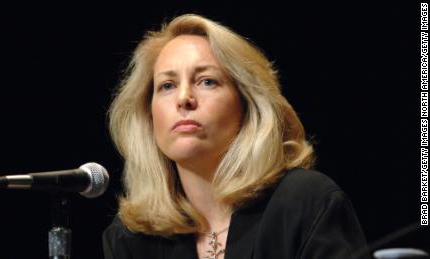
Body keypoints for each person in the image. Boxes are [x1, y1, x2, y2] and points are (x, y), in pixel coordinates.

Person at [103, 14, 369, 259]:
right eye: (167, 86)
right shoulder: (130, 238)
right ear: (148, 116)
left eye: (207, 81)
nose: (184, 98)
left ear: (247, 106)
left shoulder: (306, 203)